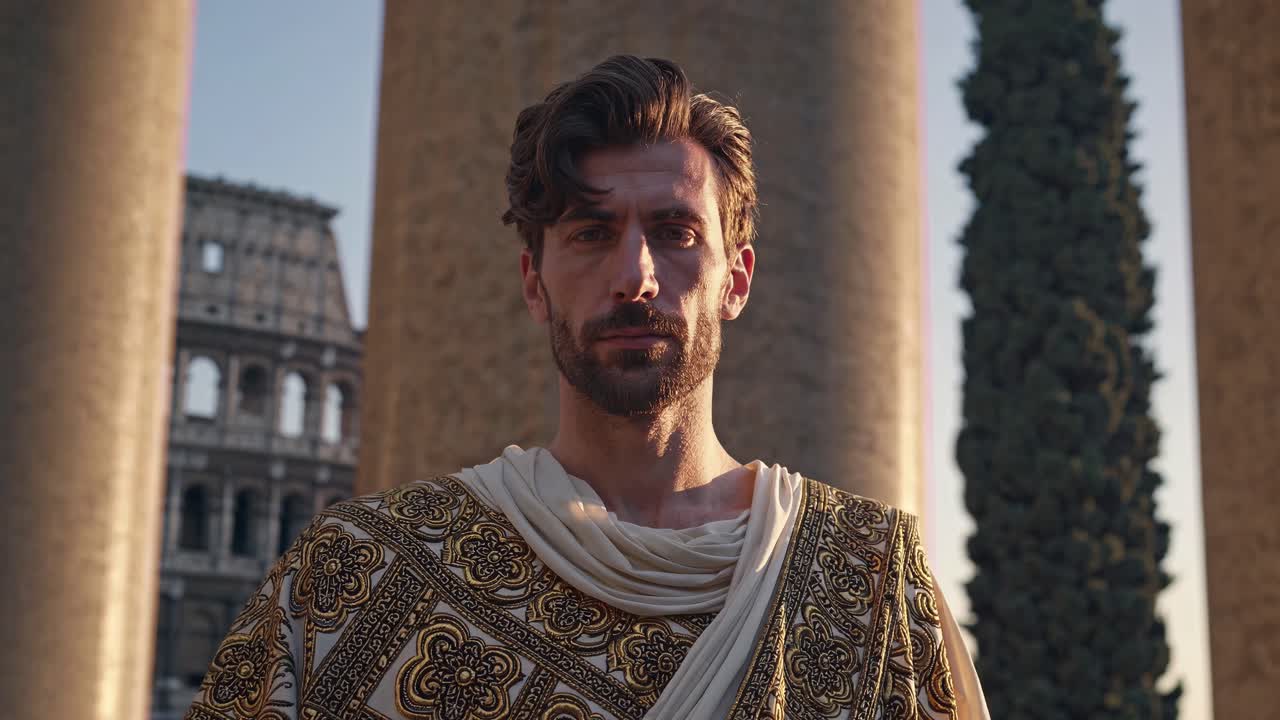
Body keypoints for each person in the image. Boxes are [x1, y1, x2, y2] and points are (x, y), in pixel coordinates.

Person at [185, 55, 988, 720]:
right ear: (534, 283)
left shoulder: (876, 581)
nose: (635, 276)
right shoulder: (354, 572)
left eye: (674, 234)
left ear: (736, 279)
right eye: (591, 234)